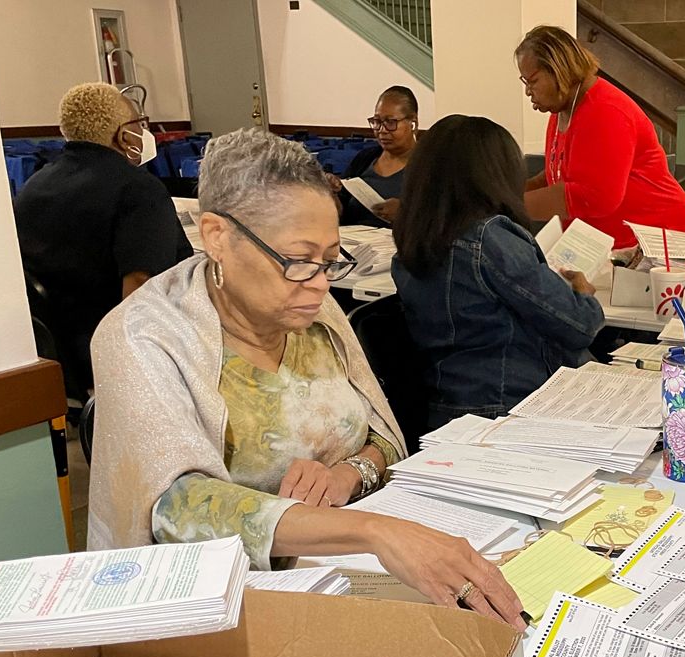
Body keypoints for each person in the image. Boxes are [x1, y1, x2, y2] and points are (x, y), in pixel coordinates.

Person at [88, 128, 525, 629]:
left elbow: (383, 436)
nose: (319, 283)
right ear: (217, 237)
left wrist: (348, 475)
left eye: (329, 260)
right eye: (297, 261)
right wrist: (374, 531)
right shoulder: (145, 335)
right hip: (215, 606)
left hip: (329, 578)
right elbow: (175, 508)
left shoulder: (312, 314)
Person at [392, 115, 604, 430]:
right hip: (509, 411)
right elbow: (579, 326)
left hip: (447, 413)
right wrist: (582, 294)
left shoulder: (411, 244)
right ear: (496, 175)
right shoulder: (490, 238)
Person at [16, 82, 191, 396]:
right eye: (140, 125)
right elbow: (141, 285)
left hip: (55, 350)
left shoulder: (34, 185)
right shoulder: (138, 189)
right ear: (124, 135)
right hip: (113, 354)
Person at [517, 25, 685, 250]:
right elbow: (559, 175)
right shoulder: (563, 108)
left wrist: (507, 205)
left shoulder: (605, 110)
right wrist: (506, 192)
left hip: (656, 238)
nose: (528, 91)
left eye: (532, 81)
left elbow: (594, 197)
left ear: (558, 70)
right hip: (609, 240)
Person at [335, 86, 418, 227]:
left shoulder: (430, 165)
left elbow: (443, 218)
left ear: (413, 123)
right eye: (377, 122)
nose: (382, 130)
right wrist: (332, 193)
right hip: (354, 242)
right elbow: (340, 210)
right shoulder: (365, 158)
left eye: (391, 122)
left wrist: (406, 213)